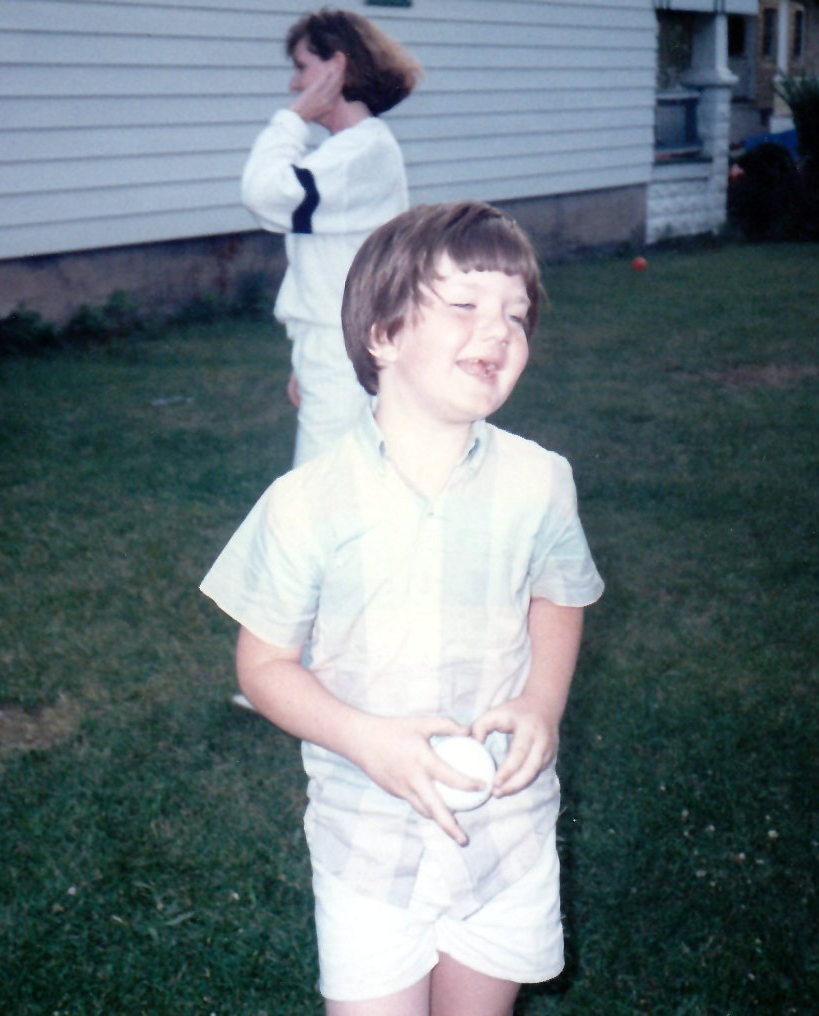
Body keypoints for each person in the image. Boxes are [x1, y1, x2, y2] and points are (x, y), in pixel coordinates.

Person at [200, 201, 604, 1015]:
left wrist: (541, 703)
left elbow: (557, 592)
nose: (497, 331)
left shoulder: (540, 481)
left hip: (506, 828)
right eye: (464, 304)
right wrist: (365, 739)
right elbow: (264, 665)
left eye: (516, 315)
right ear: (382, 334)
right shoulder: (305, 504)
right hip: (368, 835)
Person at [241, 7, 422, 467]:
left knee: (318, 490)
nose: (294, 84)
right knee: (355, 481)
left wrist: (292, 119)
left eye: (303, 67)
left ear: (337, 67)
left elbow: (264, 193)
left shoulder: (361, 151)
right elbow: (327, 262)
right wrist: (306, 360)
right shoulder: (349, 153)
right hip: (338, 343)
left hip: (344, 346)